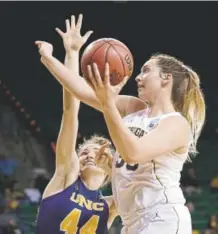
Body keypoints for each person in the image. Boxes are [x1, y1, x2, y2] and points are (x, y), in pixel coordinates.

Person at [35, 17, 206, 234]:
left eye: (146, 70)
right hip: (132, 222)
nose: (137, 77)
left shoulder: (176, 124)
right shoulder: (133, 107)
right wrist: (50, 58)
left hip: (161, 217)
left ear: (166, 78)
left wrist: (108, 105)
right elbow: (80, 91)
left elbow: (133, 152)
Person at [35, 15, 117, 234]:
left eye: (98, 154)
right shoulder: (67, 175)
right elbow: (70, 111)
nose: (89, 155)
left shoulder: (111, 205)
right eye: (83, 152)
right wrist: (72, 53)